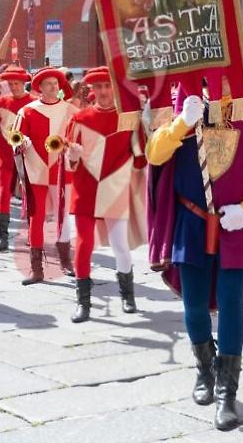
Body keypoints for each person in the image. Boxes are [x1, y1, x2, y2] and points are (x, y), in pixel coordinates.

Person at [146, 80, 243, 431]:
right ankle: (204, 369)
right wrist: (182, 122)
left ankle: (227, 390)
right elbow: (154, 155)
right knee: (193, 304)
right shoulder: (180, 102)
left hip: (237, 223)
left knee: (230, 302)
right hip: (191, 221)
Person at [64, 66, 148, 322]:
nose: (102, 91)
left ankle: (127, 295)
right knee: (83, 243)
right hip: (85, 188)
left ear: (114, 88)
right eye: (97, 87)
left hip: (115, 187)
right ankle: (83, 302)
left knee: (119, 244)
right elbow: (69, 162)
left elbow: (140, 158)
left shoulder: (129, 118)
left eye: (106, 86)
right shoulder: (79, 119)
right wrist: (73, 157)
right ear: (91, 90)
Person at [13, 67, 79, 283]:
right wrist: (22, 143)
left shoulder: (71, 110)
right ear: (39, 87)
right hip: (36, 170)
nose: (53, 87)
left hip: (62, 171)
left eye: (56, 83)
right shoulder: (27, 111)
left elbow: (79, 137)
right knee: (37, 217)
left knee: (63, 218)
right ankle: (37, 269)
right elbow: (16, 137)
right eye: (48, 83)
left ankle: (66, 262)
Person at [0, 66, 35, 252]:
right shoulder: (0, 103)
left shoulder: (34, 103)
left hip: (29, 156)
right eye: (11, 83)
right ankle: (2, 236)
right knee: (4, 192)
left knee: (30, 194)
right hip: (5, 156)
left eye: (17, 83)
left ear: (23, 83)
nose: (14, 87)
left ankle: (33, 235)